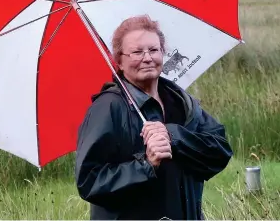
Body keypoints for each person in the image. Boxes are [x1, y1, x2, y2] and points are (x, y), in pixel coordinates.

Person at [75, 15, 233, 220]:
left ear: (163, 53)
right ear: (119, 61)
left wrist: (174, 136)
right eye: (137, 52)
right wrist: (146, 164)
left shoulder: (181, 101)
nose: (147, 58)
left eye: (153, 50)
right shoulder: (107, 108)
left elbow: (220, 151)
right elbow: (90, 182)